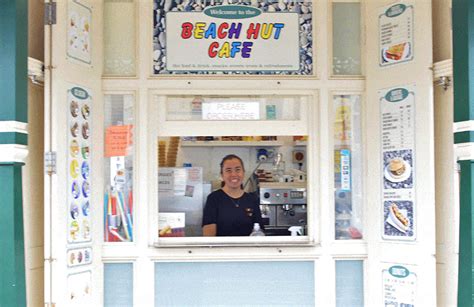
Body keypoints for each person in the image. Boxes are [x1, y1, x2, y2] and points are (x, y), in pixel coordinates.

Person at [202, 154, 262, 236]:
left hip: (247, 248)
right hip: (221, 248)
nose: (233, 174)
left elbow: (259, 231)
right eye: (228, 170)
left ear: (243, 173)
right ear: (222, 175)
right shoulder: (214, 198)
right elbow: (209, 236)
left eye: (238, 170)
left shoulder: (251, 199)